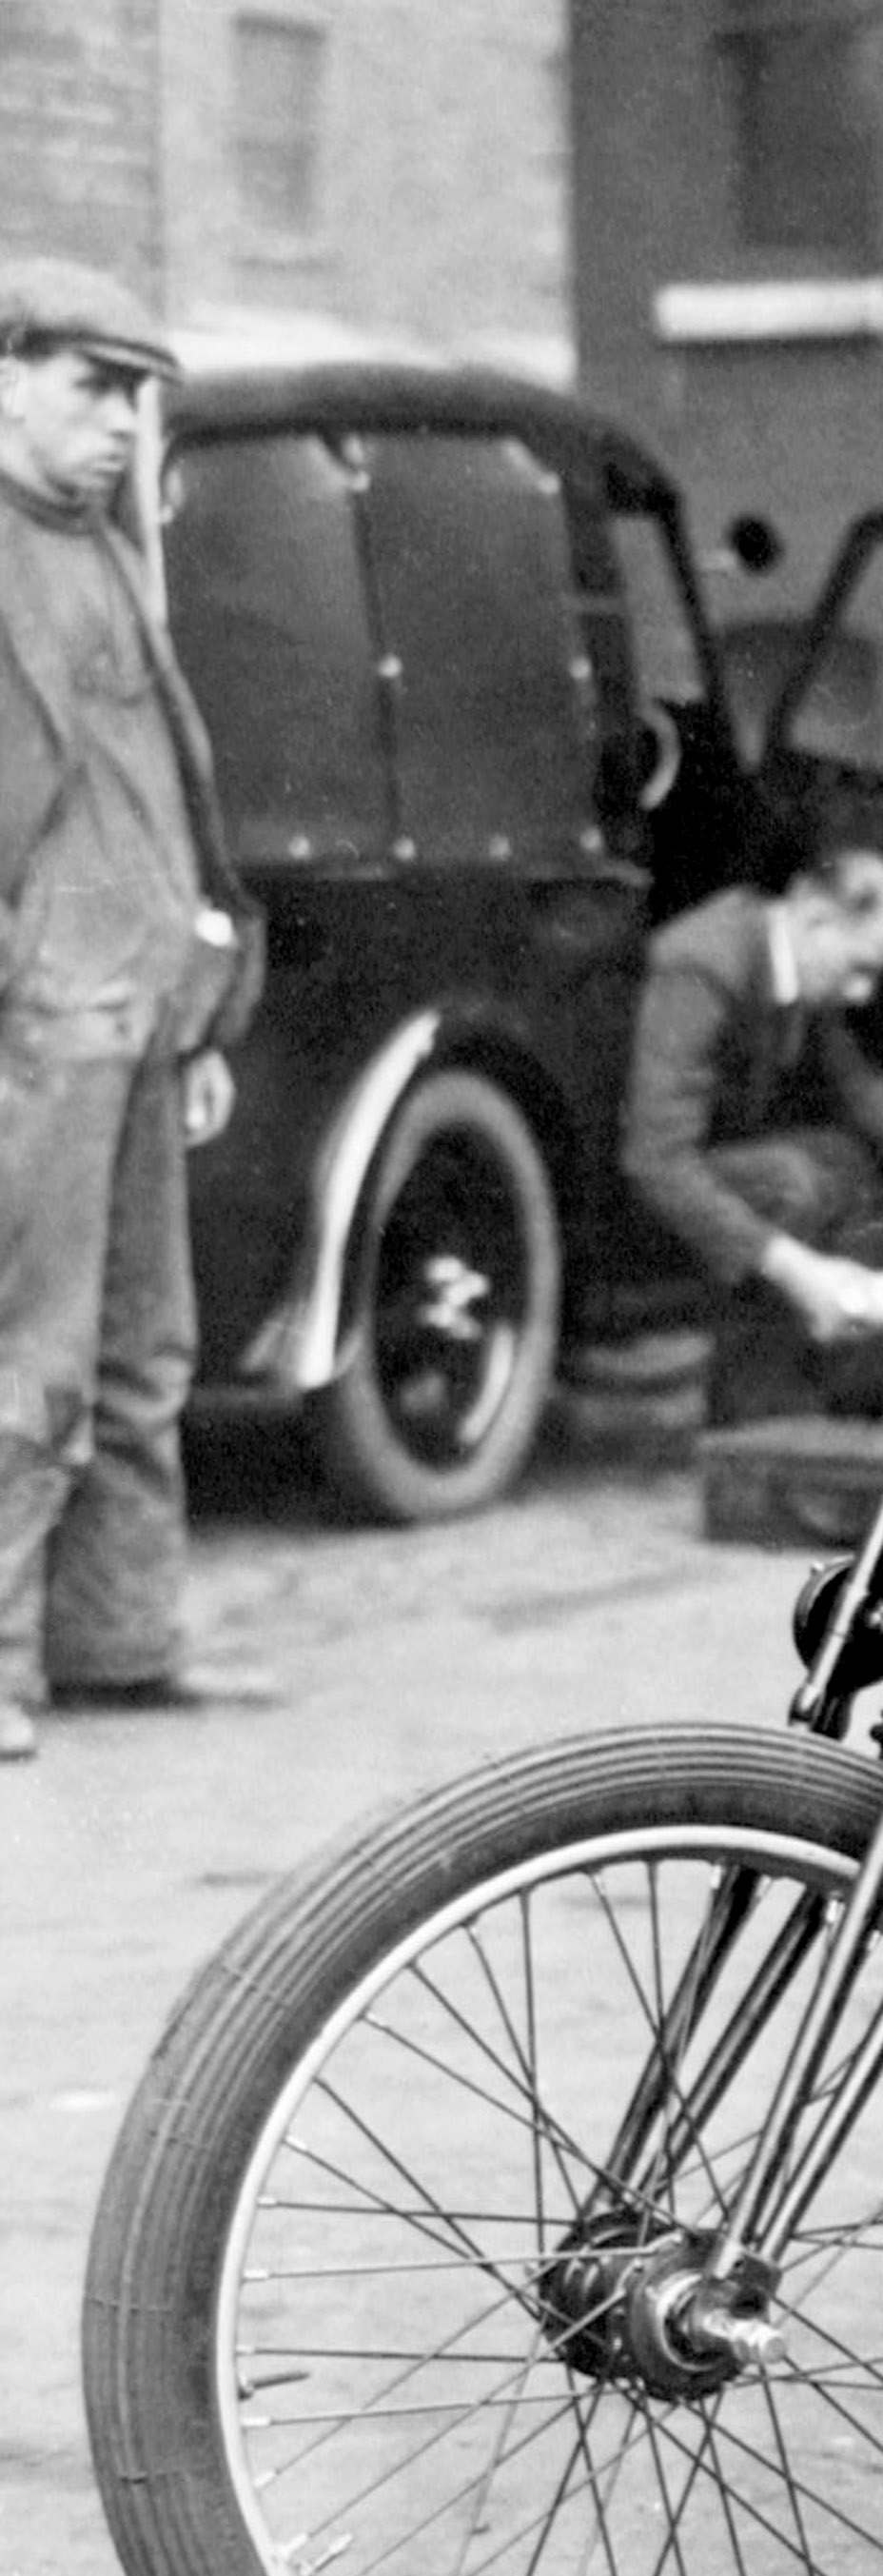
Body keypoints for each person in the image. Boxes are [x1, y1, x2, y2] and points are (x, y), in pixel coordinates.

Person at [0, 258, 265, 1764]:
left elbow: (159, 799)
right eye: (94, 387)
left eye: (138, 397)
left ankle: (116, 1636)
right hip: (44, 1019)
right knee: (24, 1351)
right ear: (7, 374)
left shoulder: (98, 550)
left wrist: (202, 1005)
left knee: (143, 1346)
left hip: (141, 1016)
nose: (121, 425)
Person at [618, 847, 883, 1421]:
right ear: (816, 920)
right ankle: (753, 1425)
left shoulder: (790, 951)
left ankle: (871, 1422)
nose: (863, 993)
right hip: (630, 1203)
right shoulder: (707, 964)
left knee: (848, 1164)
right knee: (794, 1184)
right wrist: (797, 1270)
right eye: (859, 969)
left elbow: (853, 1078)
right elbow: (655, 1161)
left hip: (701, 1172)